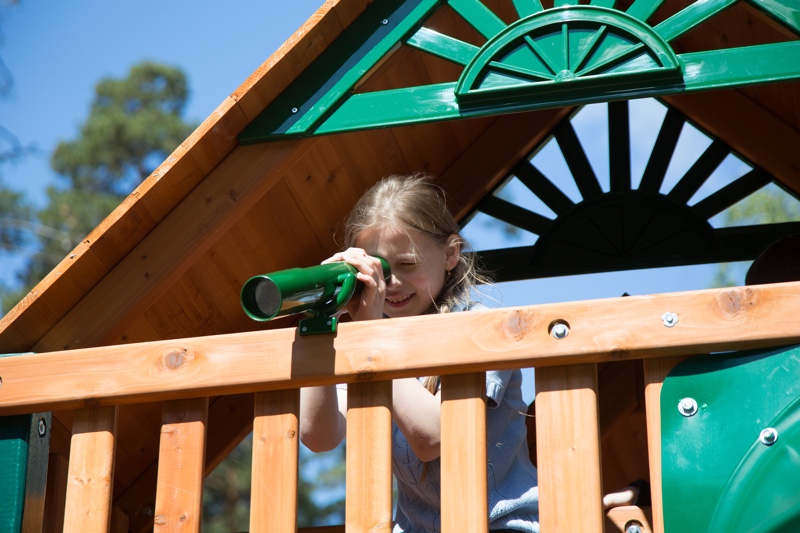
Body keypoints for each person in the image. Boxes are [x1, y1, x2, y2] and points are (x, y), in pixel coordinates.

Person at [299, 174, 540, 532]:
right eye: (379, 269)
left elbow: (434, 436)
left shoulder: (480, 328)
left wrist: (372, 337)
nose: (392, 283)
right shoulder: (368, 342)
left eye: (407, 264)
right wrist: (321, 320)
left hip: (501, 524)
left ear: (450, 254)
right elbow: (318, 437)